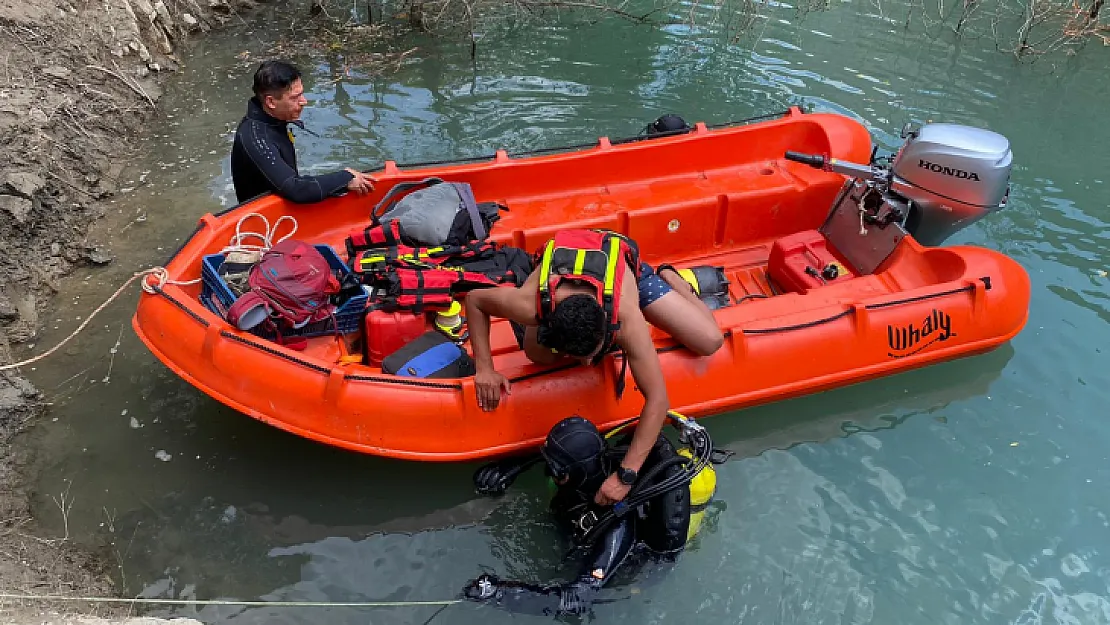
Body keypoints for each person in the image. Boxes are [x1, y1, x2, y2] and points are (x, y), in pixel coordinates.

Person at [464, 229, 727, 507]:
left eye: (592, 354)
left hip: (623, 269)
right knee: (537, 355)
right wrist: (485, 368)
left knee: (709, 340)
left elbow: (658, 400)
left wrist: (626, 476)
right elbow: (475, 300)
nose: (588, 364)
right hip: (558, 276)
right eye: (579, 358)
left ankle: (674, 280)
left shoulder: (627, 318)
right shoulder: (529, 306)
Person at [461, 414, 720, 616]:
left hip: (621, 573)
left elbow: (576, 598)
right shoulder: (592, 472)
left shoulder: (617, 528)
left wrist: (499, 593)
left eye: (556, 470)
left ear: (571, 474)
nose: (551, 475)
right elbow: (568, 459)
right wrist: (512, 467)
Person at [230, 60, 375, 204]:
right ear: (271, 102)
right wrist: (344, 178)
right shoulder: (255, 138)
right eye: (295, 97)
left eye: (302, 94)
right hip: (263, 220)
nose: (304, 101)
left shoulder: (273, 119)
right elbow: (296, 189)